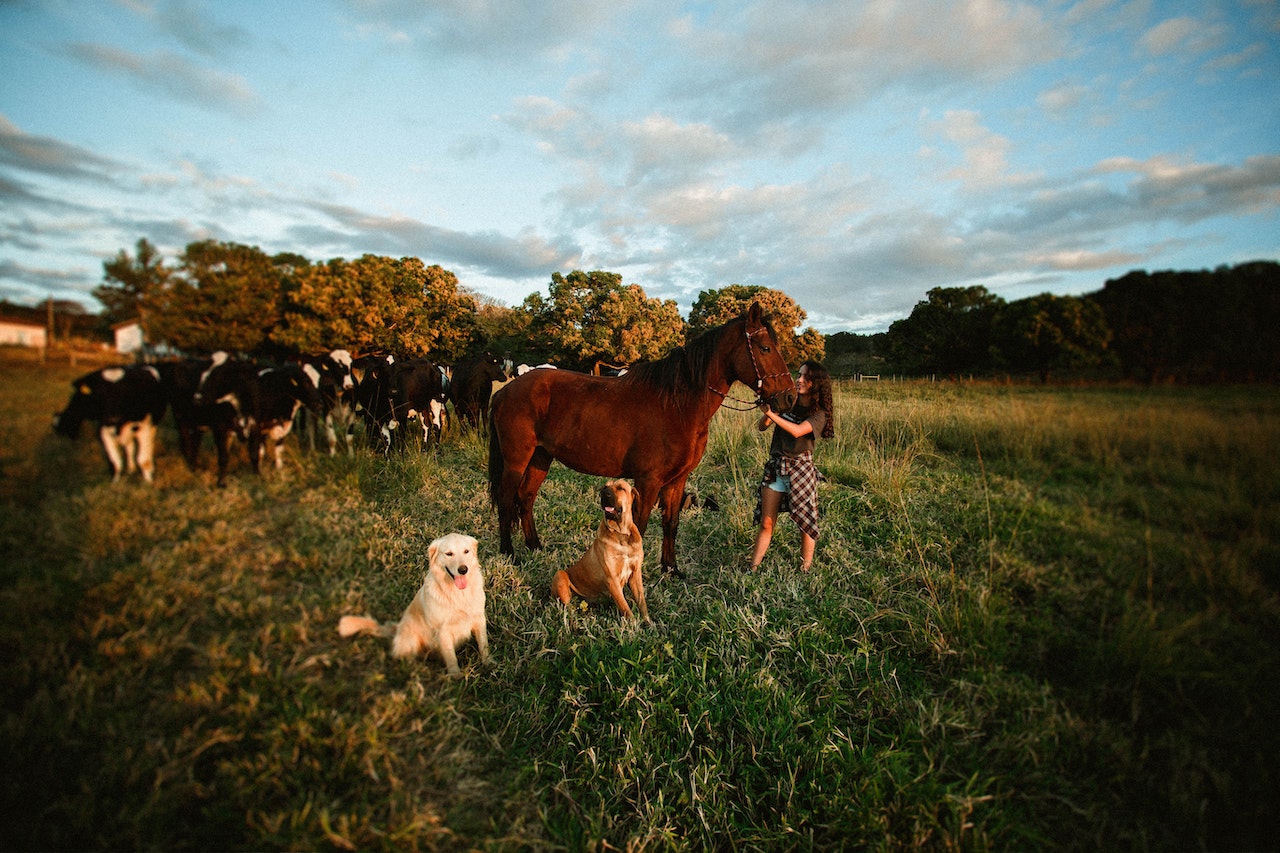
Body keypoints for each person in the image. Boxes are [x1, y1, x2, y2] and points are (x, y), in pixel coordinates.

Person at [749, 360, 835, 572]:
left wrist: (771, 415)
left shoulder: (820, 413)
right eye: (799, 375)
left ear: (816, 383)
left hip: (801, 470)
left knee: (804, 524)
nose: (799, 380)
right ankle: (752, 568)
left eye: (805, 377)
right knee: (767, 523)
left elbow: (797, 431)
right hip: (777, 469)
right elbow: (761, 427)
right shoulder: (789, 401)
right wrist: (769, 412)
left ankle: (805, 568)